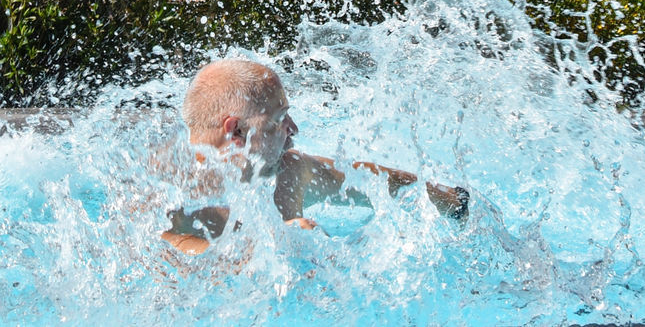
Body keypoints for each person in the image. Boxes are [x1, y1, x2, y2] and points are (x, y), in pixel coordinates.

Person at [160, 58, 469, 255]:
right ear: (236, 131)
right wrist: (266, 248)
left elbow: (366, 179)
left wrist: (455, 201)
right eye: (279, 120)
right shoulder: (166, 188)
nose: (292, 129)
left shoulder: (288, 169)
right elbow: (165, 256)